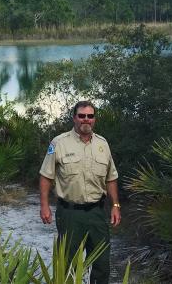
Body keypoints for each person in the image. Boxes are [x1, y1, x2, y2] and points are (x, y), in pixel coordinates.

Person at [39, 100, 121, 284]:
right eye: (82, 116)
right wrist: (44, 205)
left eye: (90, 116)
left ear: (94, 119)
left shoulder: (103, 144)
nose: (86, 120)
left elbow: (111, 177)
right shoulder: (59, 143)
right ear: (74, 118)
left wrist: (115, 205)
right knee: (67, 264)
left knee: (101, 264)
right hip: (69, 214)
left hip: (97, 214)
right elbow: (46, 176)